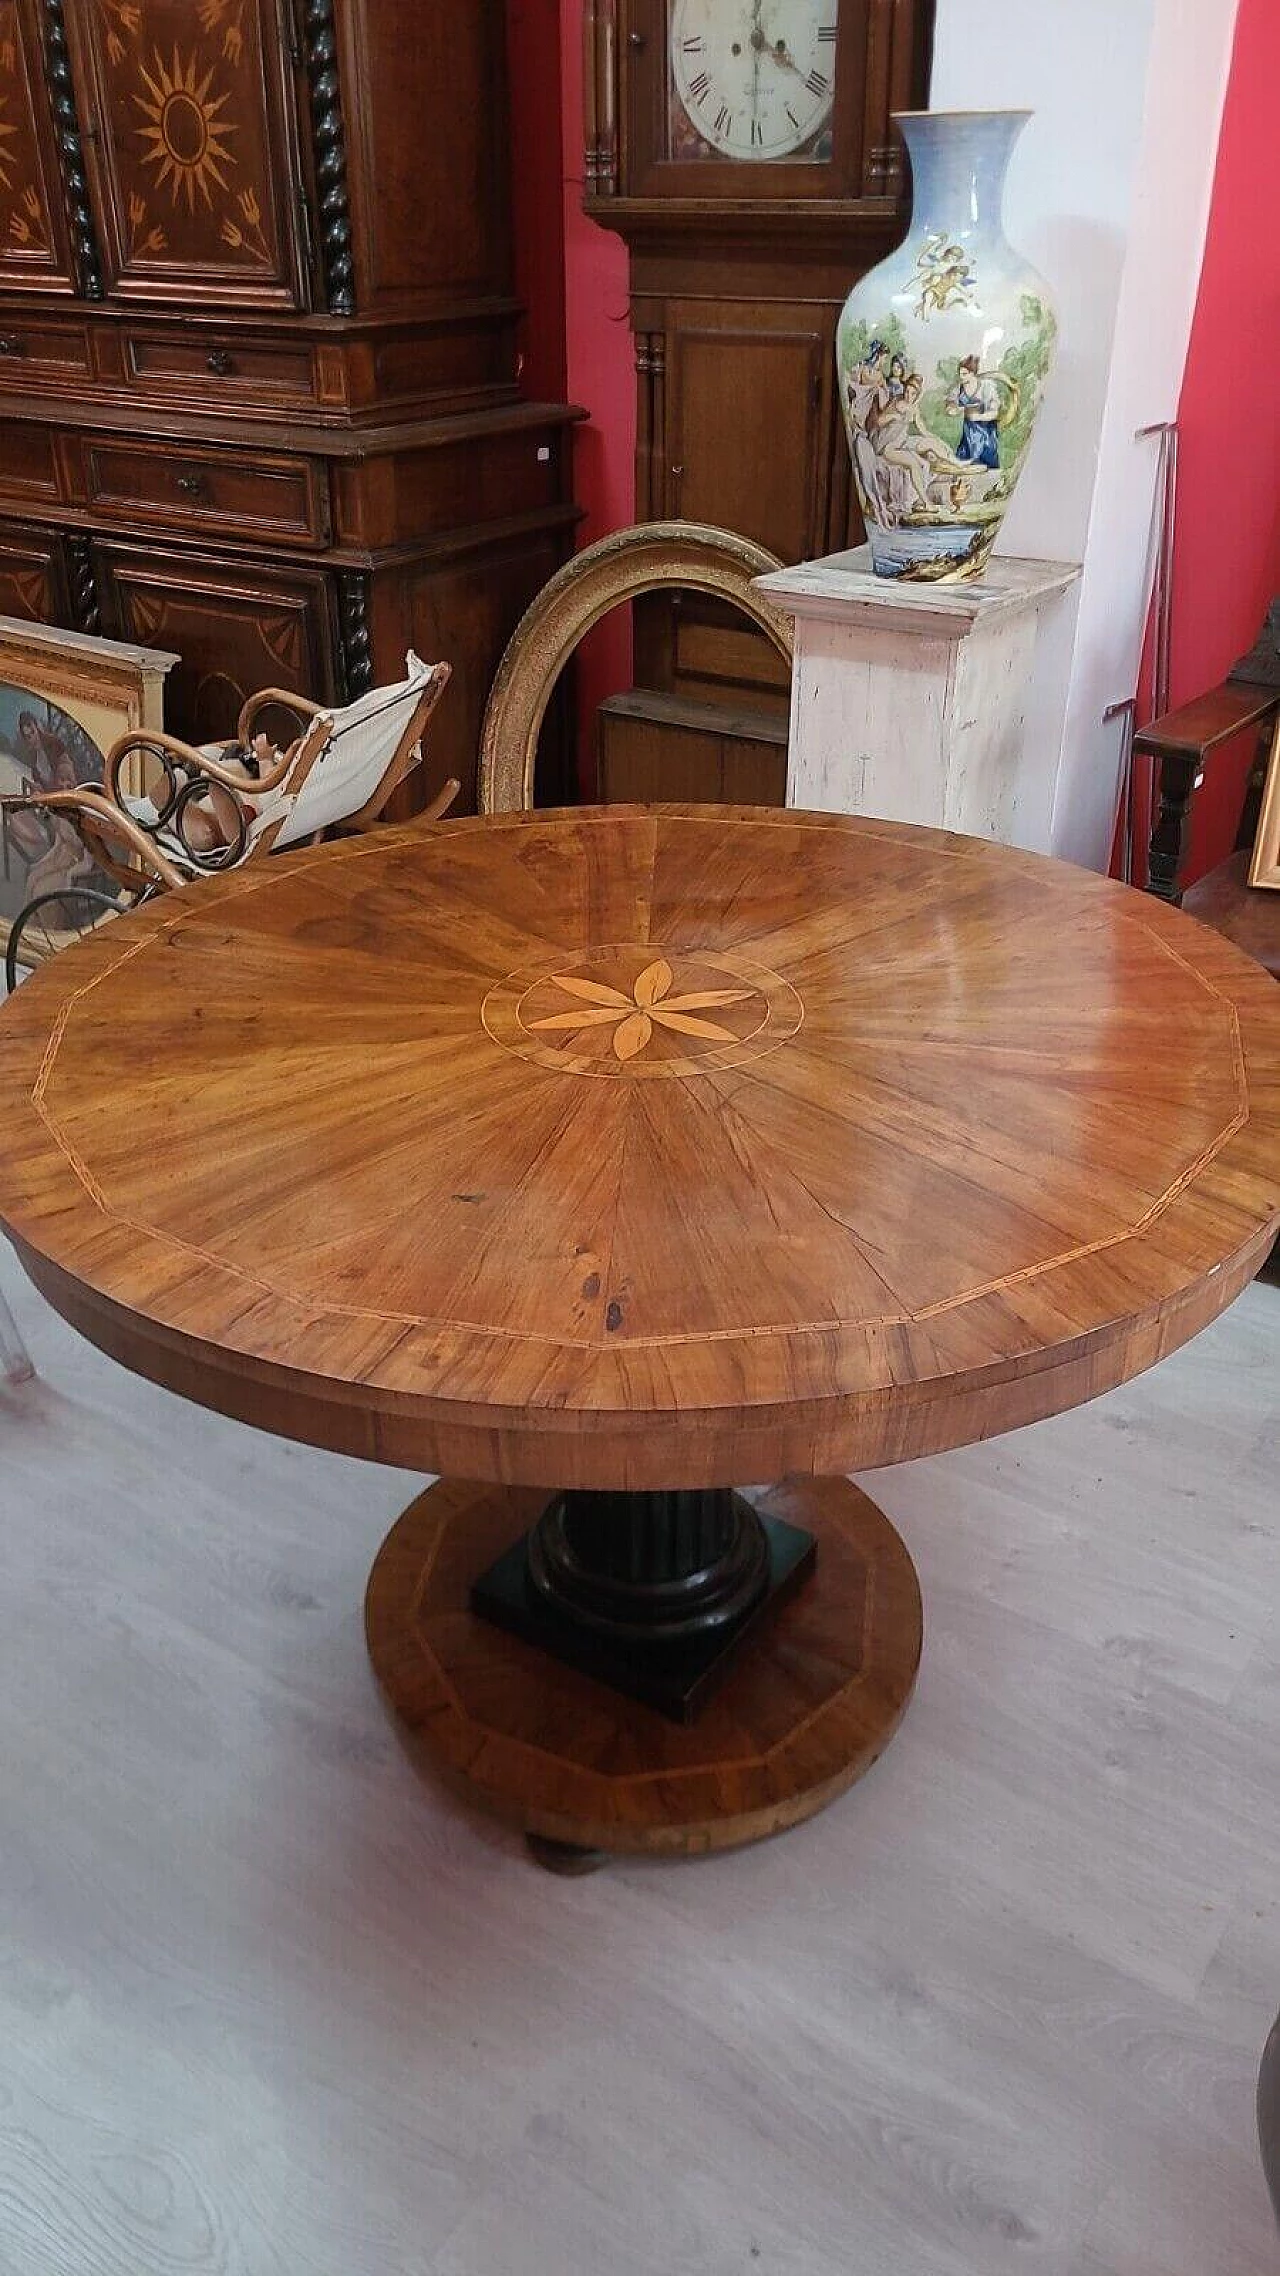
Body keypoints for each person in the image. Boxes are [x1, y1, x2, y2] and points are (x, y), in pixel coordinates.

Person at [948, 355, 1002, 470]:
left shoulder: (986, 387)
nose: (961, 377)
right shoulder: (959, 388)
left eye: (964, 374)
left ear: (972, 373)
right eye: (960, 373)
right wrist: (954, 409)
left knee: (983, 458)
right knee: (964, 459)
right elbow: (950, 405)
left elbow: (994, 412)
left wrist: (978, 417)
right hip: (968, 431)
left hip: (985, 431)